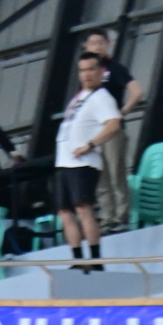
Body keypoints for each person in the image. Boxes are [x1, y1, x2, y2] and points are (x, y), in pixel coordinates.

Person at [56, 53, 123, 270]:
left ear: (101, 71)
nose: (86, 74)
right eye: (82, 70)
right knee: (65, 211)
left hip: (82, 162)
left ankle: (95, 259)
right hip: (64, 161)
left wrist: (91, 144)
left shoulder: (102, 97)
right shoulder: (80, 96)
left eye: (91, 69)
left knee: (83, 208)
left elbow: (114, 124)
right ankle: (77, 259)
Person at [81, 31, 143, 233]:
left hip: (112, 130)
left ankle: (121, 217)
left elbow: (137, 92)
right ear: (86, 47)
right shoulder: (87, 73)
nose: (97, 46)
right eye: (93, 43)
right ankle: (107, 218)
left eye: (101, 42)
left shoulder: (115, 68)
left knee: (117, 173)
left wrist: (123, 112)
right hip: (93, 132)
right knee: (100, 177)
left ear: (108, 44)